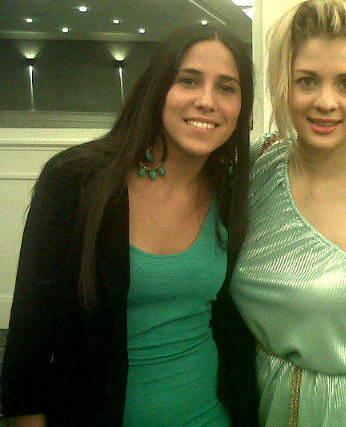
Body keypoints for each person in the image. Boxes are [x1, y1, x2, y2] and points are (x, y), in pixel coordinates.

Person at [1, 24, 258, 427]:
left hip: (212, 416)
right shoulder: (76, 180)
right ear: (158, 88)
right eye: (189, 80)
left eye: (227, 88)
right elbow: (30, 332)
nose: (207, 101)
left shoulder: (230, 192)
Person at [230, 0, 346, 426]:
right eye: (307, 81)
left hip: (345, 410)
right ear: (285, 85)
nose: (326, 102)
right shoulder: (258, 165)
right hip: (251, 396)